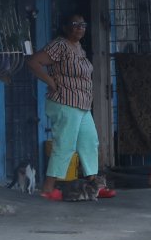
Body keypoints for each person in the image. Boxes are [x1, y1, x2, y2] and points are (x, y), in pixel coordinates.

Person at [26, 13, 115, 201]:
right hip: (64, 103)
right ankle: (48, 188)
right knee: (65, 145)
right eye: (74, 24)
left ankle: (94, 185)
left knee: (90, 142)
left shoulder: (78, 47)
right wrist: (50, 82)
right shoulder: (59, 45)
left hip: (82, 104)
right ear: (65, 27)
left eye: (83, 25)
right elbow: (33, 62)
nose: (79, 28)